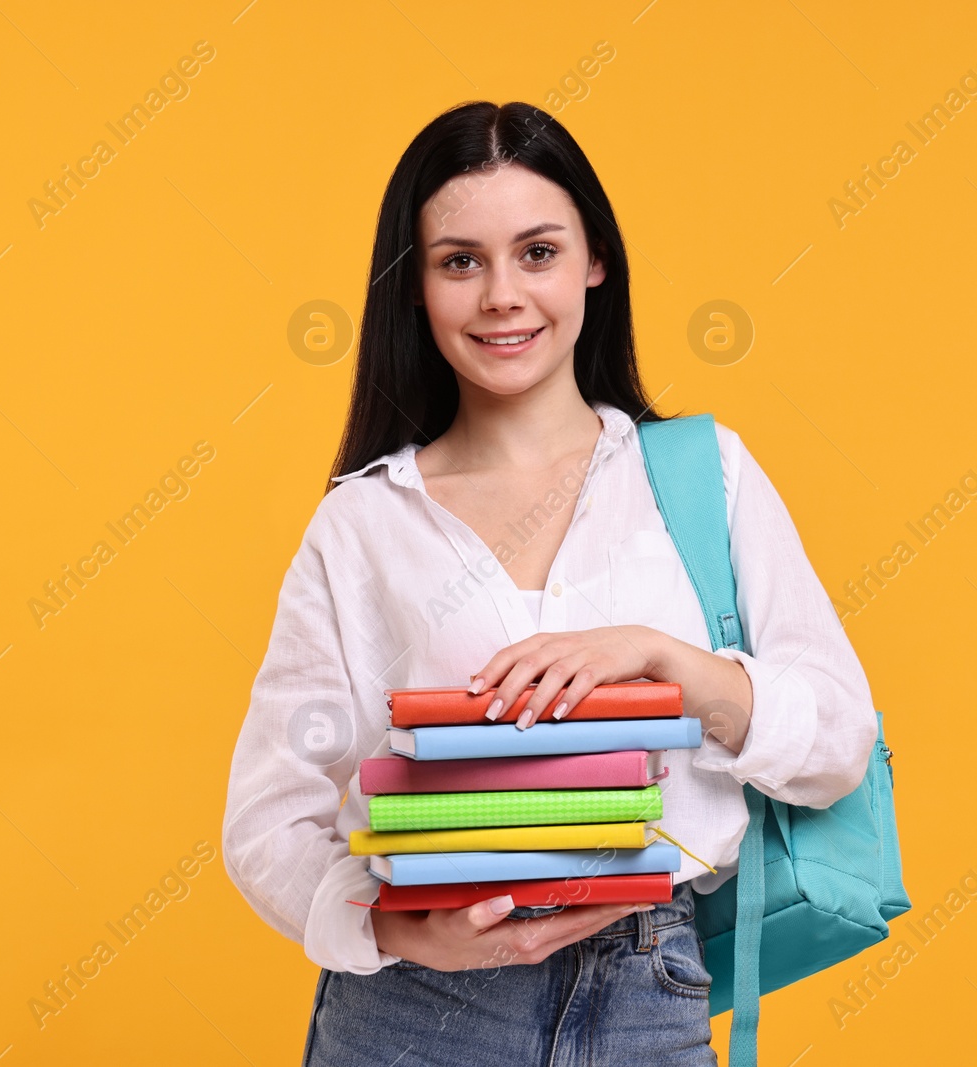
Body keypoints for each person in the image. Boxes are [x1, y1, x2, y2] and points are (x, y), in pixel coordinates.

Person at [222, 100, 879, 1066]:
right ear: (416, 288)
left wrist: (672, 667)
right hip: (414, 1012)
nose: (501, 296)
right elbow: (268, 816)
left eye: (537, 252)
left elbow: (836, 742)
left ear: (594, 261)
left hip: (649, 989)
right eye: (459, 261)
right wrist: (399, 932)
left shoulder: (705, 477)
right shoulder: (363, 524)